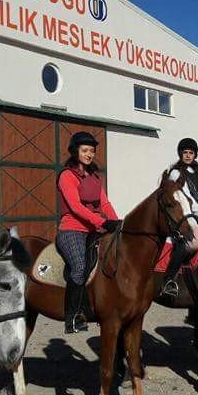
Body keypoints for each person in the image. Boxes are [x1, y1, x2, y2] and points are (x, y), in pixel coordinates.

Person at [56, 131, 120, 333]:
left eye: (92, 151)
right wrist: (102, 221)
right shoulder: (67, 175)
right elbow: (75, 207)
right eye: (85, 150)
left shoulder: (94, 176)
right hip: (72, 229)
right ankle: (73, 317)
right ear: (76, 152)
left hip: (94, 229)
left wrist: (116, 223)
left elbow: (104, 203)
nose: (89, 154)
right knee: (79, 266)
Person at [160, 138, 198, 296]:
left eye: (191, 153)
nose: (188, 155)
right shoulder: (175, 173)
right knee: (195, 242)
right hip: (186, 213)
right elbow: (177, 196)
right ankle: (168, 279)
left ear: (195, 155)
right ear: (180, 154)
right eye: (185, 152)